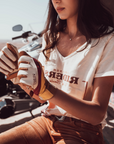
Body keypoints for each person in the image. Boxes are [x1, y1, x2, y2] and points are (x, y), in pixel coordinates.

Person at [0, 0, 114, 143]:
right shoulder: (50, 37)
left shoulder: (108, 39)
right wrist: (20, 79)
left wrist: (47, 89)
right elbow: (41, 98)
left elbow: (97, 115)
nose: (56, 1)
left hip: (84, 130)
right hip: (47, 121)